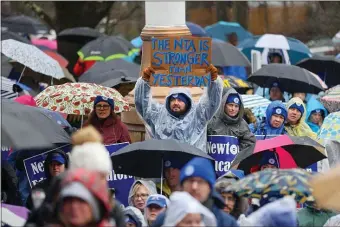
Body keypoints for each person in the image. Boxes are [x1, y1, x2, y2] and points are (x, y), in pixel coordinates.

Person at [134, 65, 223, 151]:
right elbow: (142, 104)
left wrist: (214, 82)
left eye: (180, 100)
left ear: (188, 102)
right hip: (165, 164)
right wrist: (144, 82)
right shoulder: (158, 115)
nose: (176, 103)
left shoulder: (199, 116)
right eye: (173, 99)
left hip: (191, 164)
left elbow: (212, 101)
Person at [152, 157, 239, 227]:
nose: (194, 187)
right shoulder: (164, 219)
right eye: (190, 181)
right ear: (182, 185)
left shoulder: (225, 223)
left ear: (210, 187)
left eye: (200, 182)